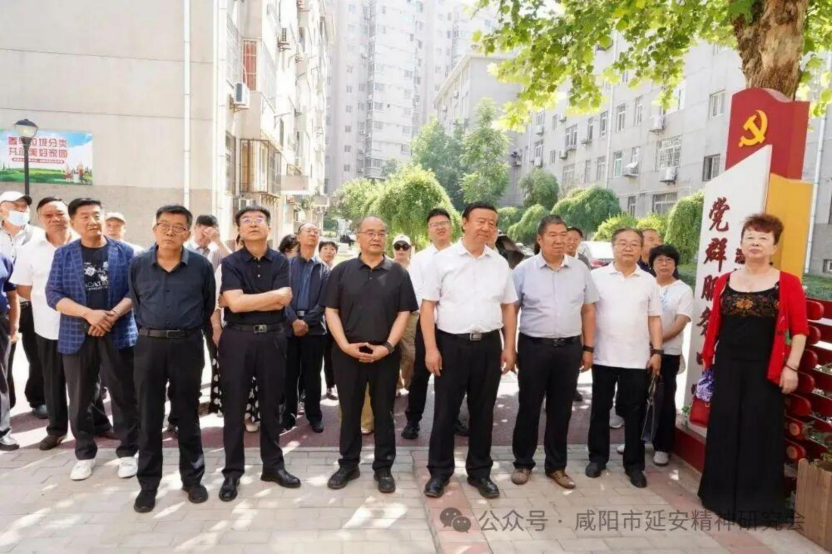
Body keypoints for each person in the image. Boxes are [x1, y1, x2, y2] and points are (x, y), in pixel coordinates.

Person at [698, 214, 807, 527]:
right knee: (725, 427)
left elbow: (799, 331)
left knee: (759, 430)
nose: (756, 243)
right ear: (742, 244)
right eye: (750, 237)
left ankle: (756, 505)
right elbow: (716, 326)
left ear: (774, 247)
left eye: (763, 238)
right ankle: (719, 497)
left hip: (766, 369)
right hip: (728, 366)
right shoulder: (725, 281)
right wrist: (709, 361)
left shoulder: (787, 283)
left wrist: (792, 367)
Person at [421, 202, 518, 499]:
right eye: (480, 221)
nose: (486, 227)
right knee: (445, 412)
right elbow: (428, 306)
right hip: (451, 345)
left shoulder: (499, 263)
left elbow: (508, 307)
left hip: (488, 346)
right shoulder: (442, 260)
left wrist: (509, 346)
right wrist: (431, 349)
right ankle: (439, 473)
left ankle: (480, 472)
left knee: (483, 412)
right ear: (464, 222)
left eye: (492, 223)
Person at [46, 198, 140, 482]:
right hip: (77, 334)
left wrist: (110, 316)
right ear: (74, 222)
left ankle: (128, 451)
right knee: (80, 397)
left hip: (118, 331)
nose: (92, 221)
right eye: (85, 216)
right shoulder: (64, 254)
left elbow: (135, 291)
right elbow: (53, 295)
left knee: (124, 394)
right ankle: (84, 453)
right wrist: (89, 314)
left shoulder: (125, 252)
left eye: (96, 215)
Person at [129, 205, 215, 513]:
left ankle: (192, 479)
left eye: (178, 227)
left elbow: (207, 306)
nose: (170, 231)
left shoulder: (201, 266)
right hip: (149, 346)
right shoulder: (139, 264)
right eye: (164, 225)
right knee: (149, 417)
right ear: (154, 229)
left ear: (188, 233)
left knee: (187, 414)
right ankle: (148, 485)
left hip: (187, 345)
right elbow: (136, 304)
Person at [323, 216, 417, 493]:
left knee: (384, 413)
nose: (376, 237)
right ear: (358, 236)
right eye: (370, 232)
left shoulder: (398, 273)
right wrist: (344, 345)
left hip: (384, 354)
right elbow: (331, 311)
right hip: (347, 353)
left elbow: (403, 313)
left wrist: (387, 347)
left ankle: (383, 467)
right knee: (349, 411)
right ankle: (348, 464)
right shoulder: (342, 271)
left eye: (381, 233)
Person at [11, 197, 113, 451]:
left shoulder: (86, 243)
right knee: (53, 379)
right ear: (39, 219)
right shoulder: (29, 250)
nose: (55, 219)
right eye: (48, 215)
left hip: (86, 323)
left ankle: (99, 424)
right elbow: (23, 288)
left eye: (60, 213)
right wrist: (52, 302)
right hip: (49, 326)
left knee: (90, 378)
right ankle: (56, 429)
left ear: (70, 216)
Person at [217, 205, 300, 501]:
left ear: (269, 228)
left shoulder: (280, 261)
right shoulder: (230, 262)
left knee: (271, 406)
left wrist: (248, 300)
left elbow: (282, 302)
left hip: (273, 339)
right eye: (246, 220)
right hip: (237, 339)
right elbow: (236, 304)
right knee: (234, 408)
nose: (253, 224)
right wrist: (271, 297)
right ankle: (232, 473)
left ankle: (273, 467)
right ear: (238, 229)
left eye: (259, 220)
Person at [510, 215, 598, 489]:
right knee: (529, 406)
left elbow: (588, 310)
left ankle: (556, 466)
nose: (560, 240)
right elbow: (511, 310)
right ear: (539, 239)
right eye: (553, 235)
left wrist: (588, 347)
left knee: (561, 410)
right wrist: (509, 348)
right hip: (533, 347)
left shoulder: (580, 269)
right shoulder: (524, 270)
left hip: (569, 349)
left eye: (563, 235)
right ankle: (523, 463)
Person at [586, 227, 662, 489]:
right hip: (603, 355)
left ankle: (634, 464)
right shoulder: (596, 276)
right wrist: (587, 348)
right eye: (622, 243)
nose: (628, 248)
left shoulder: (649, 281)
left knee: (635, 412)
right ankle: (597, 458)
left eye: (634, 243)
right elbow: (587, 314)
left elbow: (654, 318)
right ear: (613, 247)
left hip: (636, 358)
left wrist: (657, 352)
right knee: (600, 409)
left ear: (641, 249)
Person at [402, 208, 468, 440]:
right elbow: (417, 293)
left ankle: (452, 418)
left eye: (444, 222)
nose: (440, 227)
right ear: (428, 230)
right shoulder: (420, 260)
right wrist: (437, 309)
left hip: (455, 328)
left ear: (452, 226)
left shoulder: (462, 256)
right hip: (427, 325)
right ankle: (413, 420)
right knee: (420, 375)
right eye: (434, 224)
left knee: (453, 377)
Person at [0, 190, 46, 419]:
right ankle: (6, 404)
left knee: (39, 356)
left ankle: (39, 399)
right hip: (7, 307)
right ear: (1, 209)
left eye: (24, 206)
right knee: (4, 360)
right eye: (15, 205)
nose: (21, 210)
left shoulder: (40, 235)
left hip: (35, 304)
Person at [208, 235, 261, 430]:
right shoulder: (225, 267)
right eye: (242, 243)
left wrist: (235, 302)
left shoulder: (266, 268)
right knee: (234, 377)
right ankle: (238, 416)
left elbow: (276, 301)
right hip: (231, 331)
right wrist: (216, 328)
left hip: (260, 332)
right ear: (237, 244)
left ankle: (252, 416)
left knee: (257, 378)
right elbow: (214, 302)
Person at [283, 223, 329, 433]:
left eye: (316, 232)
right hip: (288, 328)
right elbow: (281, 297)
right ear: (298, 237)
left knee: (312, 375)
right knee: (289, 374)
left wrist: (306, 322)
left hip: (315, 330)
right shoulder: (286, 265)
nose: (312, 234)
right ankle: (288, 415)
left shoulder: (325, 269)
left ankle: (314, 415)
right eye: (308, 231)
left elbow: (324, 301)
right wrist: (293, 321)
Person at [648, 244, 692, 466]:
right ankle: (636, 439)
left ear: (675, 264)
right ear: (652, 264)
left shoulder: (683, 290)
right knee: (637, 397)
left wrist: (655, 342)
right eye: (659, 260)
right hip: (640, 350)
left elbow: (680, 323)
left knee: (664, 399)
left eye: (669, 260)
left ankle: (663, 446)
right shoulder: (645, 284)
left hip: (668, 353)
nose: (664, 264)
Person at [392, 234, 418, 395]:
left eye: (405, 246)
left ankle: (408, 382)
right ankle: (395, 385)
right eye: (397, 246)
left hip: (411, 315)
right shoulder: (386, 265)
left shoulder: (417, 267)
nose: (401, 249)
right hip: (389, 315)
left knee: (410, 353)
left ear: (409, 249)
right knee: (390, 351)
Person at [0, 252, 19, 451]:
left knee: (1, 378)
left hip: (0, 322)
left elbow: (13, 296)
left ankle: (2, 432)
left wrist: (14, 326)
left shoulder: (3, 259)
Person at [319, 239, 338, 400]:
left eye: (332, 249)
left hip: (334, 320)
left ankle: (331, 386)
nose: (328, 251)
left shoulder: (339, 271)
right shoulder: (315, 269)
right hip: (317, 320)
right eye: (325, 248)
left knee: (331, 355)